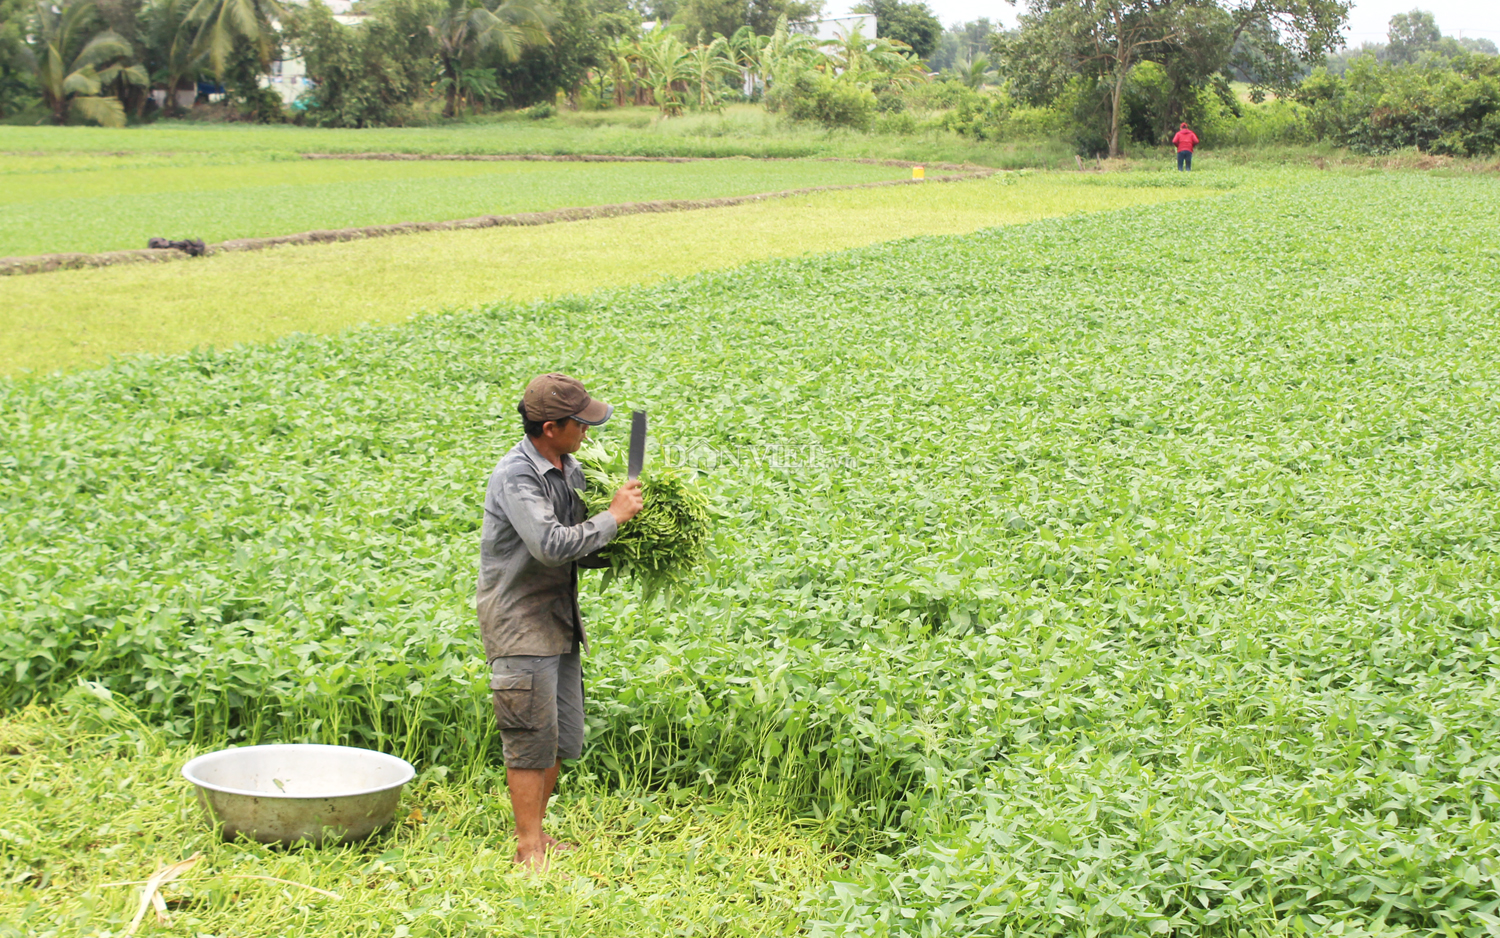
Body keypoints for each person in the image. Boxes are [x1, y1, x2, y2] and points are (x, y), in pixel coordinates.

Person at [476, 372, 644, 871]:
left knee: (558, 736)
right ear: (550, 427)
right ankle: (528, 848)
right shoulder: (517, 476)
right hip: (520, 623)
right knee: (528, 736)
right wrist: (614, 516)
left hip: (557, 619)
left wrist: (634, 539)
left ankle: (539, 835)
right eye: (579, 423)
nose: (587, 431)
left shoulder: (568, 469)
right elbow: (551, 546)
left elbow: (579, 545)